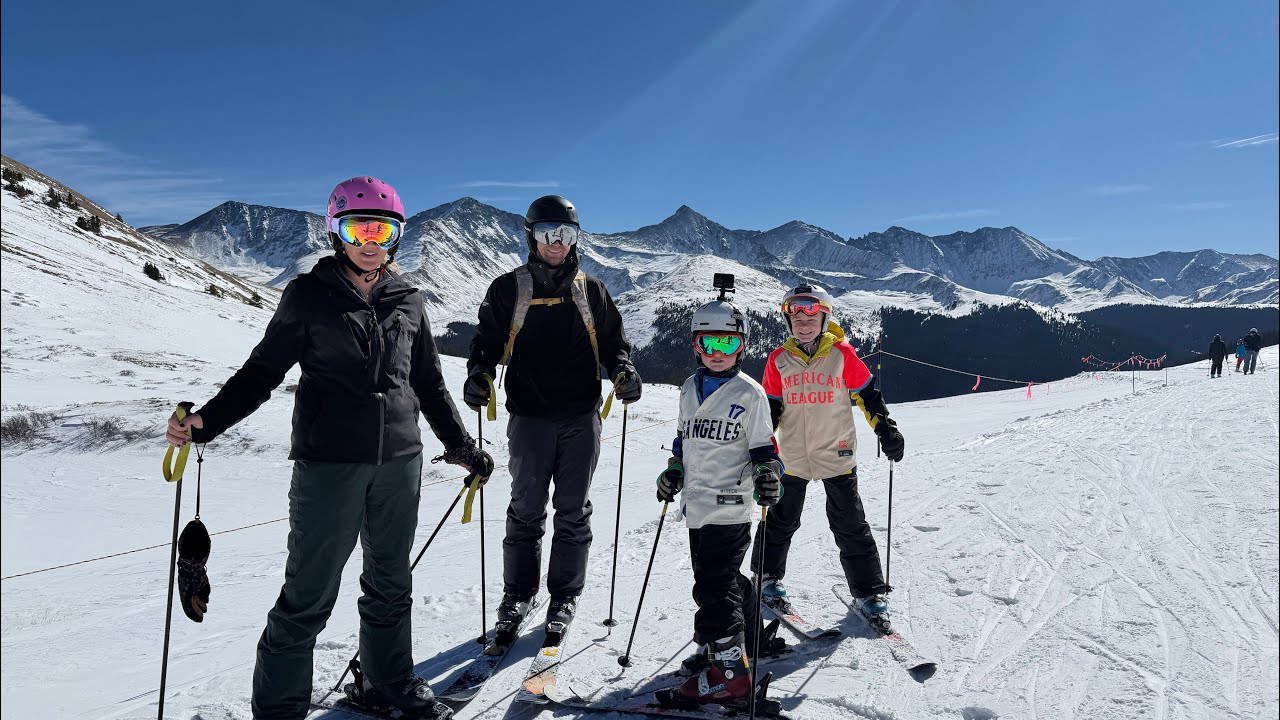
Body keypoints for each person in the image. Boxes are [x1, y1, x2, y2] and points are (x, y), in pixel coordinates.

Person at [164, 177, 491, 720]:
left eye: (381, 229)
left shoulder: (408, 298)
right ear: (335, 232)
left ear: (396, 236)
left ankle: (387, 682)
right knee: (308, 594)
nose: (370, 240)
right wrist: (207, 422)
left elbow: (428, 383)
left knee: (390, 583)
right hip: (328, 464)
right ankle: (279, 709)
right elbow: (262, 371)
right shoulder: (308, 296)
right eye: (357, 228)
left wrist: (460, 445)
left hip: (400, 464)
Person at [463, 195, 640, 646]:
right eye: (547, 234)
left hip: (581, 417)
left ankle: (564, 595)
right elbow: (485, 343)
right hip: (529, 418)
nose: (556, 244)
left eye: (566, 235)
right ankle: (517, 595)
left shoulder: (592, 290)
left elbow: (614, 344)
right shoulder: (508, 289)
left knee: (573, 510)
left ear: (576, 239)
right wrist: (479, 375)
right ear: (531, 236)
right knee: (525, 510)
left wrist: (623, 370)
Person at [651, 281, 782, 709]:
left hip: (732, 505)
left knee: (712, 587)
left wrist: (768, 474)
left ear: (741, 344)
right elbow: (682, 440)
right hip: (697, 506)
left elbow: (766, 450)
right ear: (695, 344)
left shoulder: (751, 394)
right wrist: (673, 471)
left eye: (728, 340)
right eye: (710, 340)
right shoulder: (689, 387)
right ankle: (738, 638)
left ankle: (729, 674)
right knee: (719, 580)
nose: (718, 349)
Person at [751, 284, 906, 630]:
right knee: (780, 520)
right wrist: (760, 449)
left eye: (812, 314)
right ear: (787, 319)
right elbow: (770, 411)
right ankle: (766, 579)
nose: (804, 322)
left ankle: (869, 593)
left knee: (850, 524)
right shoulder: (778, 360)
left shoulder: (842, 355)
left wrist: (885, 428)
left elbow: (868, 395)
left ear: (825, 317)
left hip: (837, 452)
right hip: (791, 455)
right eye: (796, 315)